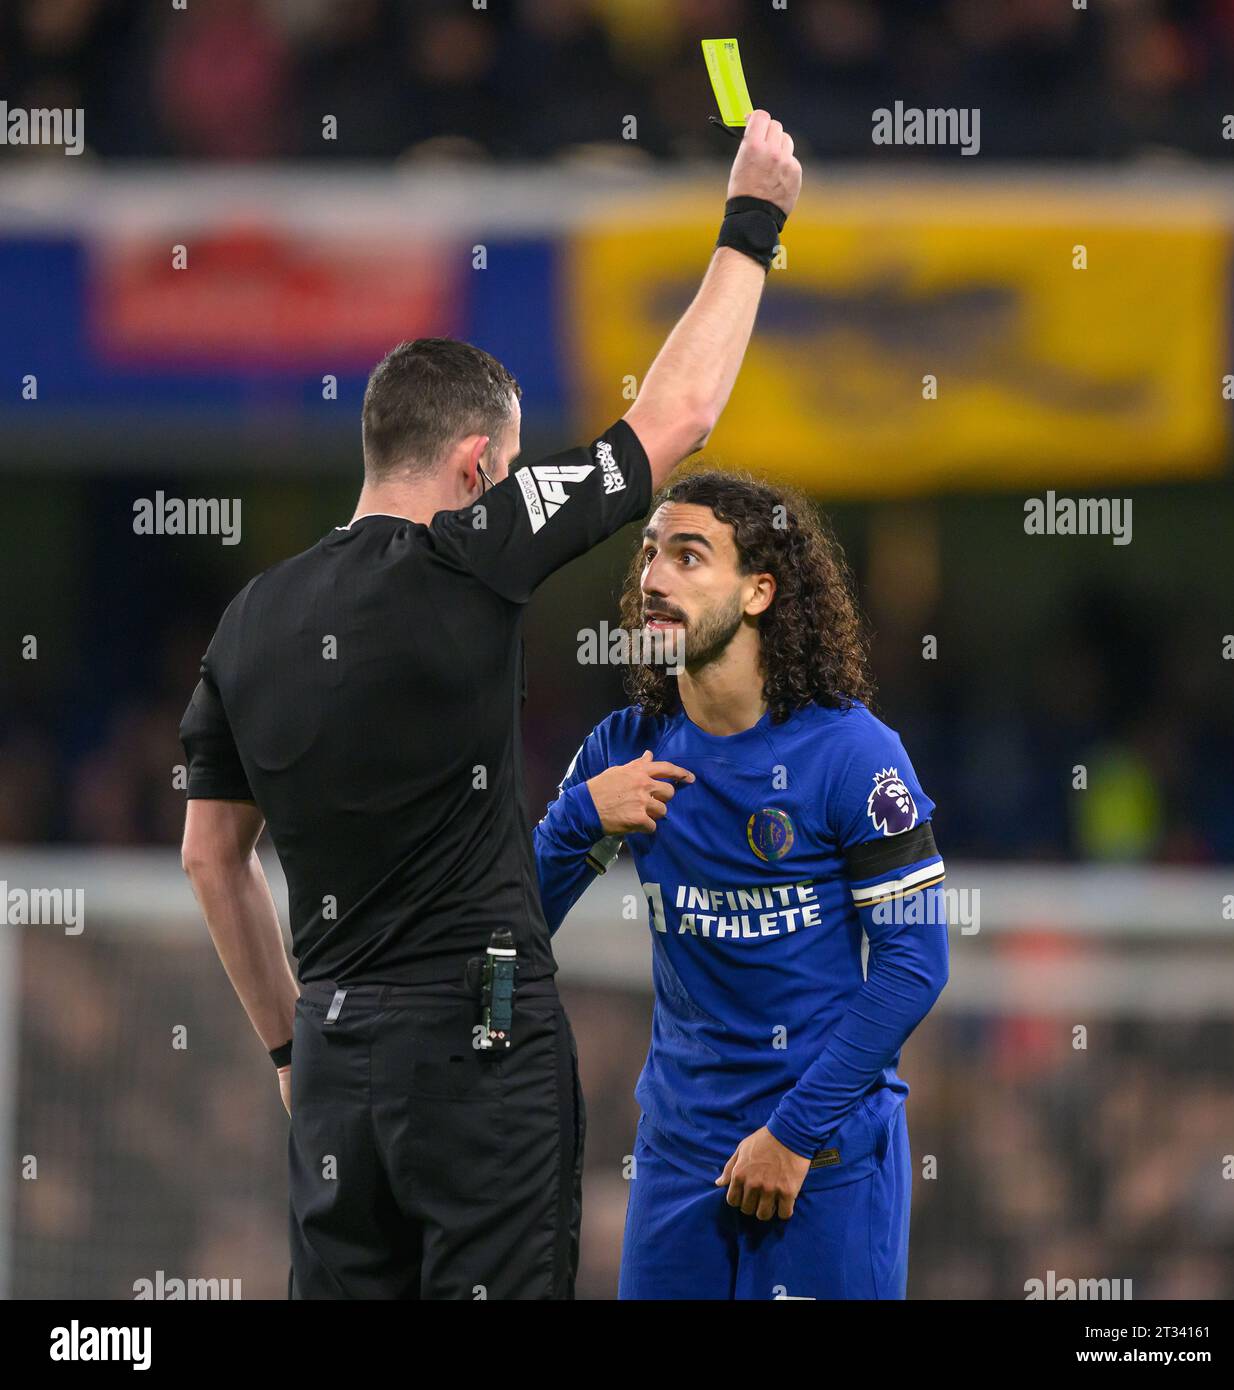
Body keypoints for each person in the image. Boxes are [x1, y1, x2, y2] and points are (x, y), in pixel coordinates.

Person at [177, 112, 802, 1299]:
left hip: (334, 1061)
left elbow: (213, 858)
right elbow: (674, 423)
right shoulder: (473, 546)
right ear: (476, 468)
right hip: (477, 1043)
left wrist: (285, 1042)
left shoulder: (248, 619)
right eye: (508, 473)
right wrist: (752, 219)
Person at [534, 471, 948, 1299]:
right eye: (649, 554)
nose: (652, 577)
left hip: (820, 1154)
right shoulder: (626, 752)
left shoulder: (855, 757)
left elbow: (913, 966)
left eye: (688, 556)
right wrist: (577, 819)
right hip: (678, 1158)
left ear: (759, 591)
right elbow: (509, 928)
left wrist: (792, 1136)